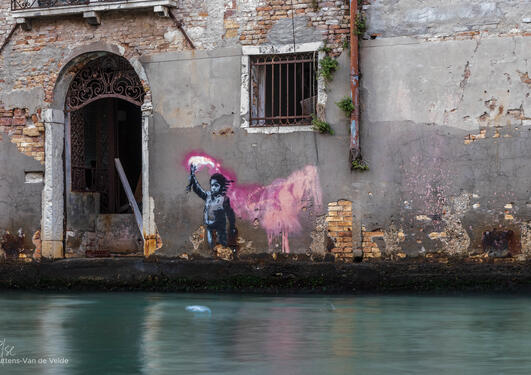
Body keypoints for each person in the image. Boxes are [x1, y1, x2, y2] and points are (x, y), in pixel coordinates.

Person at [187, 164, 237, 248]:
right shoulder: (208, 196)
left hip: (220, 229)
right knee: (211, 245)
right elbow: (197, 189)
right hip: (209, 227)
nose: (213, 188)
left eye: (216, 185)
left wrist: (232, 226)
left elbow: (230, 213)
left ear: (221, 187)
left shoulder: (224, 199)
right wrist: (192, 175)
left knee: (222, 245)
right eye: (212, 185)